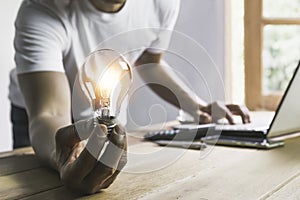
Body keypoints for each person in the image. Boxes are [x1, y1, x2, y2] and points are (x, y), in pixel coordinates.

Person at [9, 0, 250, 194]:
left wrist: (197, 106)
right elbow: (49, 112)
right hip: (43, 116)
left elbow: (149, 62)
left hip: (103, 113)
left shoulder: (161, 4)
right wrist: (61, 156)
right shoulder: (42, 9)